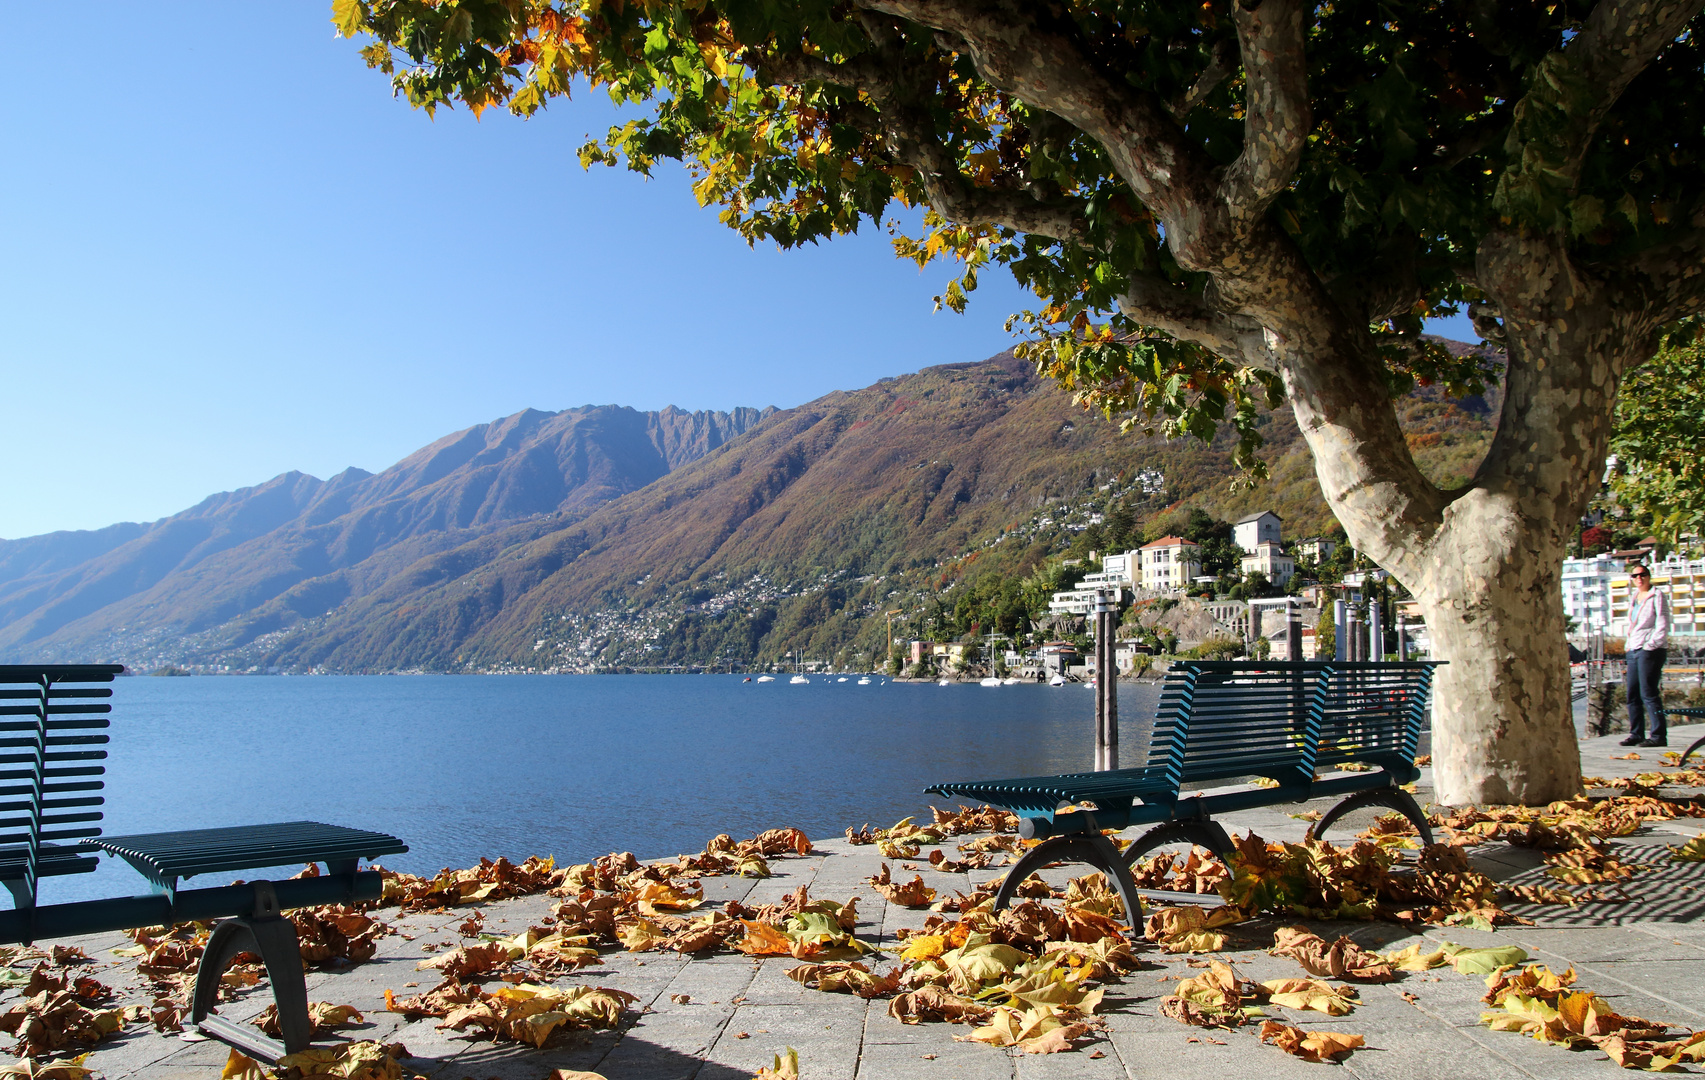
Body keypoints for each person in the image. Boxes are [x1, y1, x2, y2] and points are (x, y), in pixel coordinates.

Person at [1621, 563, 1671, 747]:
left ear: (1649, 576)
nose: (1639, 578)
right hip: (1633, 648)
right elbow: (1633, 624)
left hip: (1650, 650)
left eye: (1643, 574)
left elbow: (1663, 623)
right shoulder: (1635, 597)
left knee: (1648, 693)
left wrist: (1650, 645)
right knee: (1632, 694)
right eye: (1635, 576)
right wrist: (1629, 645)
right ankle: (1636, 734)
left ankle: (1658, 736)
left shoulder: (1657, 596)